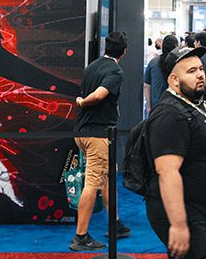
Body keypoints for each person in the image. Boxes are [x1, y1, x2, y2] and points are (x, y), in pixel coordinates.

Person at [146, 45, 206, 259]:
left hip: (203, 211)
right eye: (191, 71)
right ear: (174, 80)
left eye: (201, 69)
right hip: (189, 213)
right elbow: (168, 172)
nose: (200, 75)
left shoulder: (195, 102)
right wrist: (178, 225)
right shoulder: (170, 114)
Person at [71, 31, 129, 251]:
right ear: (124, 51)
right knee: (93, 183)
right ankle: (81, 237)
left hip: (83, 132)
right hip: (97, 135)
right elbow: (98, 95)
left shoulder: (91, 67)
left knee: (107, 177)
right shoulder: (115, 71)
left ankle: (115, 223)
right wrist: (82, 102)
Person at [145, 35, 180, 114]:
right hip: (176, 106)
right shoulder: (179, 63)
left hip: (157, 105)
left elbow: (146, 85)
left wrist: (149, 106)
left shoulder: (153, 62)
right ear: (176, 46)